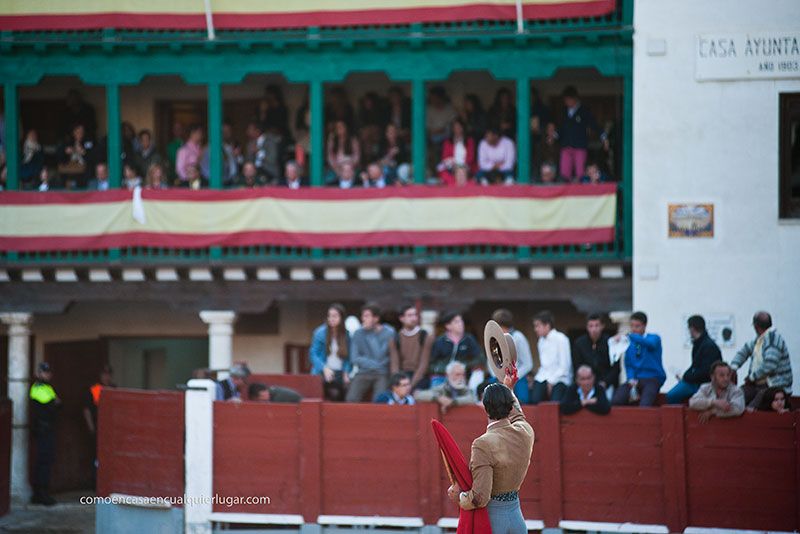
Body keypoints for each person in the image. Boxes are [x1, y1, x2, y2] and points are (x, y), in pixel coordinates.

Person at [446, 372, 533, 534]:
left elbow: (480, 497)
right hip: (517, 519)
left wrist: (459, 498)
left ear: (485, 408)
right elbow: (518, 414)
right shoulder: (525, 431)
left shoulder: (483, 444)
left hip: (493, 521)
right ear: (509, 406)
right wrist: (508, 389)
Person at [730, 311, 792, 405]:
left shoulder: (773, 339)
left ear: (756, 326)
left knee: (753, 406)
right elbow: (744, 351)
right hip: (759, 384)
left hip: (775, 385)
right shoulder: (760, 339)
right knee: (738, 396)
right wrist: (733, 367)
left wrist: (751, 378)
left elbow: (769, 365)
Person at [551, 86, 607, 181]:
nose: (567, 102)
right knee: (564, 174)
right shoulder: (564, 111)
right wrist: (554, 136)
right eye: (565, 100)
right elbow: (561, 127)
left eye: (568, 99)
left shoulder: (584, 111)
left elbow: (594, 124)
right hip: (566, 145)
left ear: (575, 98)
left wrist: (603, 136)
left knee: (580, 173)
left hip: (579, 146)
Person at [611, 311, 666, 407]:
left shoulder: (654, 338)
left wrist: (629, 336)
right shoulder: (630, 343)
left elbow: (650, 344)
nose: (633, 329)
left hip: (652, 378)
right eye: (632, 326)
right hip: (636, 379)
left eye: (637, 326)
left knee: (645, 404)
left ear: (644, 326)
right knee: (616, 399)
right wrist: (630, 378)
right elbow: (628, 364)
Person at [665, 315, 722, 404]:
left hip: (702, 383)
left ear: (692, 328)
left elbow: (706, 370)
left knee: (672, 395)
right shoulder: (703, 344)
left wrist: (686, 377)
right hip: (699, 381)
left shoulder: (706, 346)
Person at [345, 303, 395, 402]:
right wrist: (374, 365)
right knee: (351, 399)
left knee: (380, 401)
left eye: (366, 316)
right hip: (363, 372)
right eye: (363, 316)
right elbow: (354, 358)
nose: (363, 319)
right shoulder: (358, 333)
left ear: (376, 318)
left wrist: (371, 335)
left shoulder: (389, 332)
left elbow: (384, 356)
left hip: (382, 373)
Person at [30, 362, 61, 505]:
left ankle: (40, 494)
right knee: (44, 462)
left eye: (48, 372)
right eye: (44, 372)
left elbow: (58, 404)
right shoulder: (38, 387)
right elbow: (52, 405)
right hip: (43, 429)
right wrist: (55, 402)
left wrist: (56, 403)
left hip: (47, 429)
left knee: (45, 461)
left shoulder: (47, 387)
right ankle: (41, 495)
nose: (47, 374)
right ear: (39, 373)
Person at [488, 309, 534, 403]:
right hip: (498, 377)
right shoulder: (493, 338)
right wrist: (498, 375)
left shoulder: (518, 337)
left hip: (517, 377)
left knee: (522, 400)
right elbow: (490, 360)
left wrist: (513, 376)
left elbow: (528, 363)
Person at [428, 311, 483, 389]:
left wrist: (464, 366)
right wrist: (445, 369)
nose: (461, 324)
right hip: (442, 376)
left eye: (461, 321)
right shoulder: (440, 341)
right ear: (448, 326)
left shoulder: (469, 339)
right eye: (456, 322)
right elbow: (431, 363)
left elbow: (480, 358)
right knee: (437, 393)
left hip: (463, 376)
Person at [309, 303, 351, 402]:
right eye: (329, 316)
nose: (331, 318)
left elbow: (348, 357)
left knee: (345, 393)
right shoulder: (320, 332)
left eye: (335, 316)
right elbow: (313, 354)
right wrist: (324, 368)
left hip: (339, 372)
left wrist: (346, 372)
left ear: (341, 318)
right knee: (329, 393)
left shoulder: (346, 334)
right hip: (323, 371)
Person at [83, 365, 116, 487]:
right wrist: (91, 426)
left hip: (111, 428)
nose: (106, 376)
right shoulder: (95, 389)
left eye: (109, 374)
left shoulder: (113, 388)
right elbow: (87, 410)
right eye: (104, 374)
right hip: (99, 426)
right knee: (97, 456)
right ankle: (95, 482)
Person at [572, 313, 619, 397]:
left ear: (602, 326)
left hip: (605, 384)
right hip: (584, 384)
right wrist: (584, 381)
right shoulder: (579, 343)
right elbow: (576, 365)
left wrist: (605, 383)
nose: (594, 329)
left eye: (597, 325)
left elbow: (616, 368)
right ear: (587, 327)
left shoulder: (611, 343)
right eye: (591, 326)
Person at [531, 311, 572, 404]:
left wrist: (551, 382)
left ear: (547, 325)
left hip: (561, 378)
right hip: (544, 377)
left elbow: (565, 366)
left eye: (538, 326)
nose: (535, 329)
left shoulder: (561, 339)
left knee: (554, 403)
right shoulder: (541, 341)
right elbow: (543, 365)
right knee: (534, 400)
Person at [389, 304, 433, 391]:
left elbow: (423, 364)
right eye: (410, 315)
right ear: (401, 318)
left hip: (420, 377)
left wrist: (409, 385)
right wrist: (398, 382)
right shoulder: (395, 338)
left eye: (415, 315)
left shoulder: (424, 336)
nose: (413, 318)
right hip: (402, 376)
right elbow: (395, 365)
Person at [438, 118, 476, 186]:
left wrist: (461, 166)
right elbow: (445, 157)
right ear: (452, 129)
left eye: (459, 127)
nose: (457, 129)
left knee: (462, 172)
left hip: (466, 166)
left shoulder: (469, 141)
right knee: (442, 172)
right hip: (451, 166)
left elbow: (471, 157)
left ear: (463, 128)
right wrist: (454, 164)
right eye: (455, 128)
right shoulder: (447, 142)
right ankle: (453, 185)